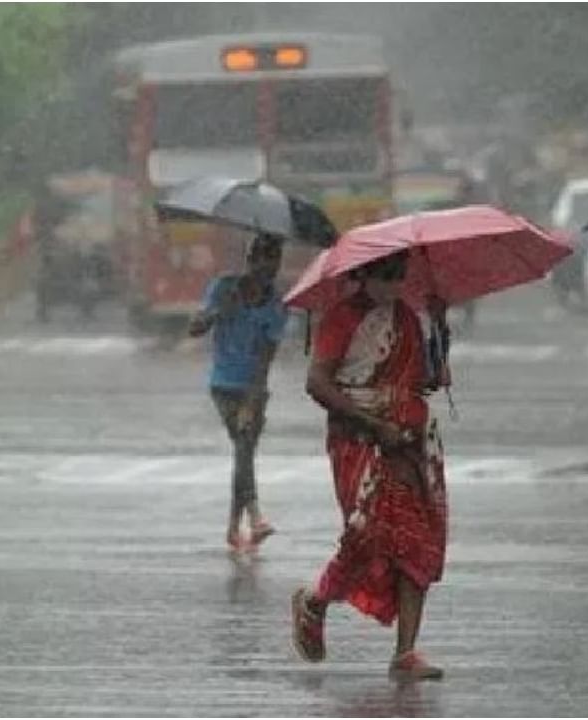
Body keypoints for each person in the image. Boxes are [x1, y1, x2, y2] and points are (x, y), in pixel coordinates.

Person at [290, 250, 450, 682]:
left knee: (418, 544)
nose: (394, 285)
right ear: (363, 275)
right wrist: (374, 425)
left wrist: (439, 329)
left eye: (400, 276)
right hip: (360, 441)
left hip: (411, 444)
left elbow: (430, 380)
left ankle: (406, 651)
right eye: (386, 275)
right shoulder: (342, 318)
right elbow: (317, 382)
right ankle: (316, 601)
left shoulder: (409, 318)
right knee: (368, 536)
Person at [188, 233, 288, 554]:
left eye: (273, 267)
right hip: (223, 384)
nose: (266, 274)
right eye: (261, 265)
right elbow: (195, 328)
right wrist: (218, 311)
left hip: (253, 388)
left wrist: (252, 401)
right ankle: (255, 515)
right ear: (250, 262)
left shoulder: (275, 305)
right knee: (244, 446)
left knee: (243, 452)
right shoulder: (223, 287)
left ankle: (234, 528)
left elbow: (265, 360)